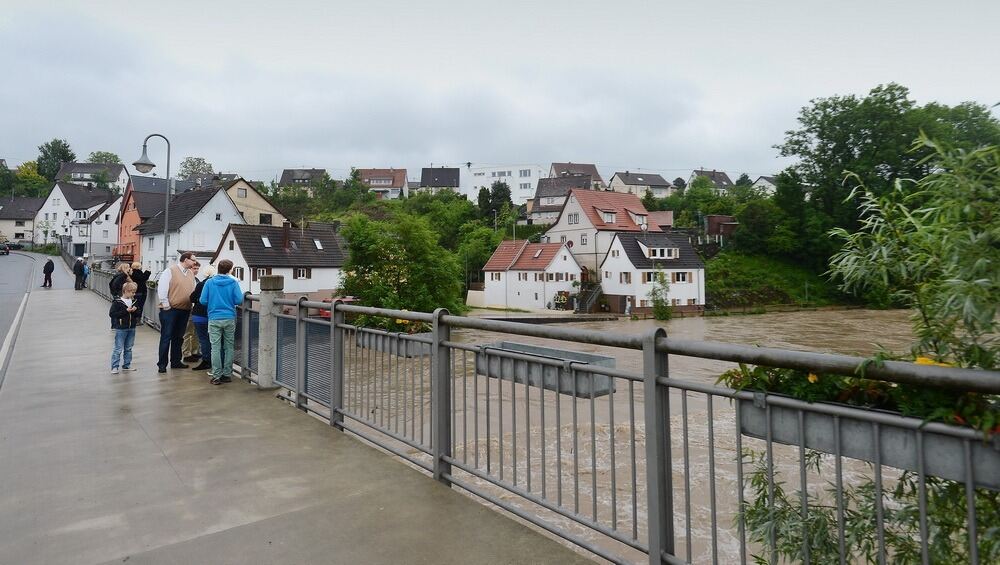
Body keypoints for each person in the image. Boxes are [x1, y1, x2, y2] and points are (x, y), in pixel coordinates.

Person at [199, 259, 244, 385]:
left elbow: (202, 300)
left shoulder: (210, 282)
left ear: (218, 268)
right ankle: (227, 374)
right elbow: (239, 299)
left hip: (214, 318)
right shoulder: (233, 283)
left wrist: (213, 303)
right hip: (229, 317)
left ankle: (216, 375)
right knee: (229, 347)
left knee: (215, 348)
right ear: (230, 270)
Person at [156, 252, 197, 373]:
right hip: (170, 310)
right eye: (193, 260)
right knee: (166, 336)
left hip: (185, 310)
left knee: (179, 337)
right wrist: (166, 304)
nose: (195, 262)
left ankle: (175, 361)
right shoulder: (170, 271)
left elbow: (192, 290)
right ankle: (162, 364)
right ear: (185, 260)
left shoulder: (190, 274)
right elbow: (162, 288)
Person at [188, 264, 216, 371]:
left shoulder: (200, 284)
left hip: (200, 315)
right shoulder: (215, 284)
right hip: (213, 315)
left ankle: (206, 360)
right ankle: (215, 361)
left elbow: (192, 298)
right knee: (214, 340)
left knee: (203, 339)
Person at [109, 281, 140, 374]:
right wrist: (126, 311)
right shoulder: (117, 302)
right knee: (118, 348)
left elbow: (138, 314)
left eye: (134, 292)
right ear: (125, 291)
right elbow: (112, 314)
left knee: (128, 348)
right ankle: (114, 367)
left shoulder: (134, 301)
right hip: (121, 328)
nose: (134, 294)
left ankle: (126, 365)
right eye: (132, 292)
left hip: (132, 327)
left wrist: (134, 311)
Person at [181, 262, 203, 363]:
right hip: (189, 308)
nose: (196, 270)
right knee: (188, 332)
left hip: (196, 310)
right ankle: (186, 353)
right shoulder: (186, 279)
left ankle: (195, 351)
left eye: (198, 268)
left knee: (196, 332)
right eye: (194, 268)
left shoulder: (197, 280)